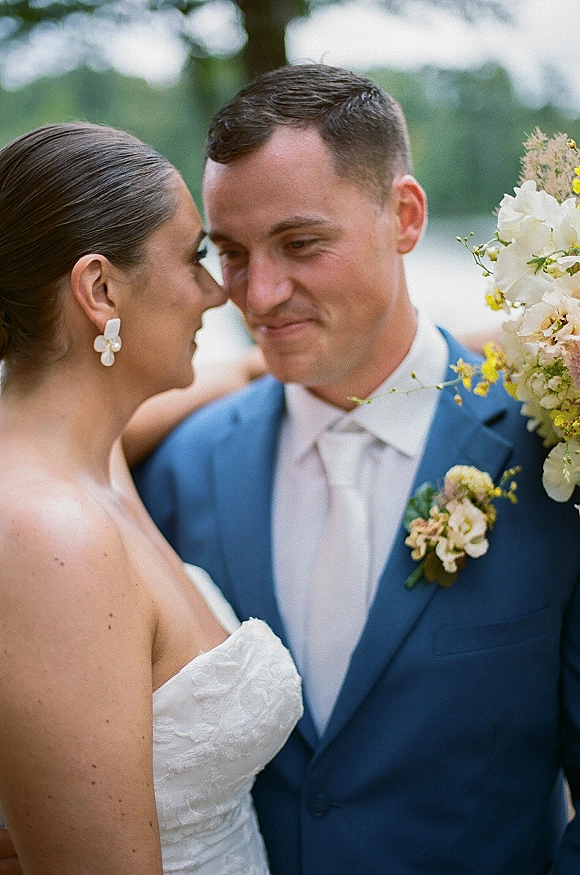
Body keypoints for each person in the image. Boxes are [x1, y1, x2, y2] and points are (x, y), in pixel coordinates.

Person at [127, 65, 580, 875]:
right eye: (229, 252)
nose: (258, 294)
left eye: (300, 243)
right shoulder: (174, 468)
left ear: (404, 217)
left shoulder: (555, 454)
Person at [0, 122, 302, 875]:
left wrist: (516, 348)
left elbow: (242, 374)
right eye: (196, 256)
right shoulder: (48, 534)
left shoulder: (97, 448)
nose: (216, 291)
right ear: (100, 289)